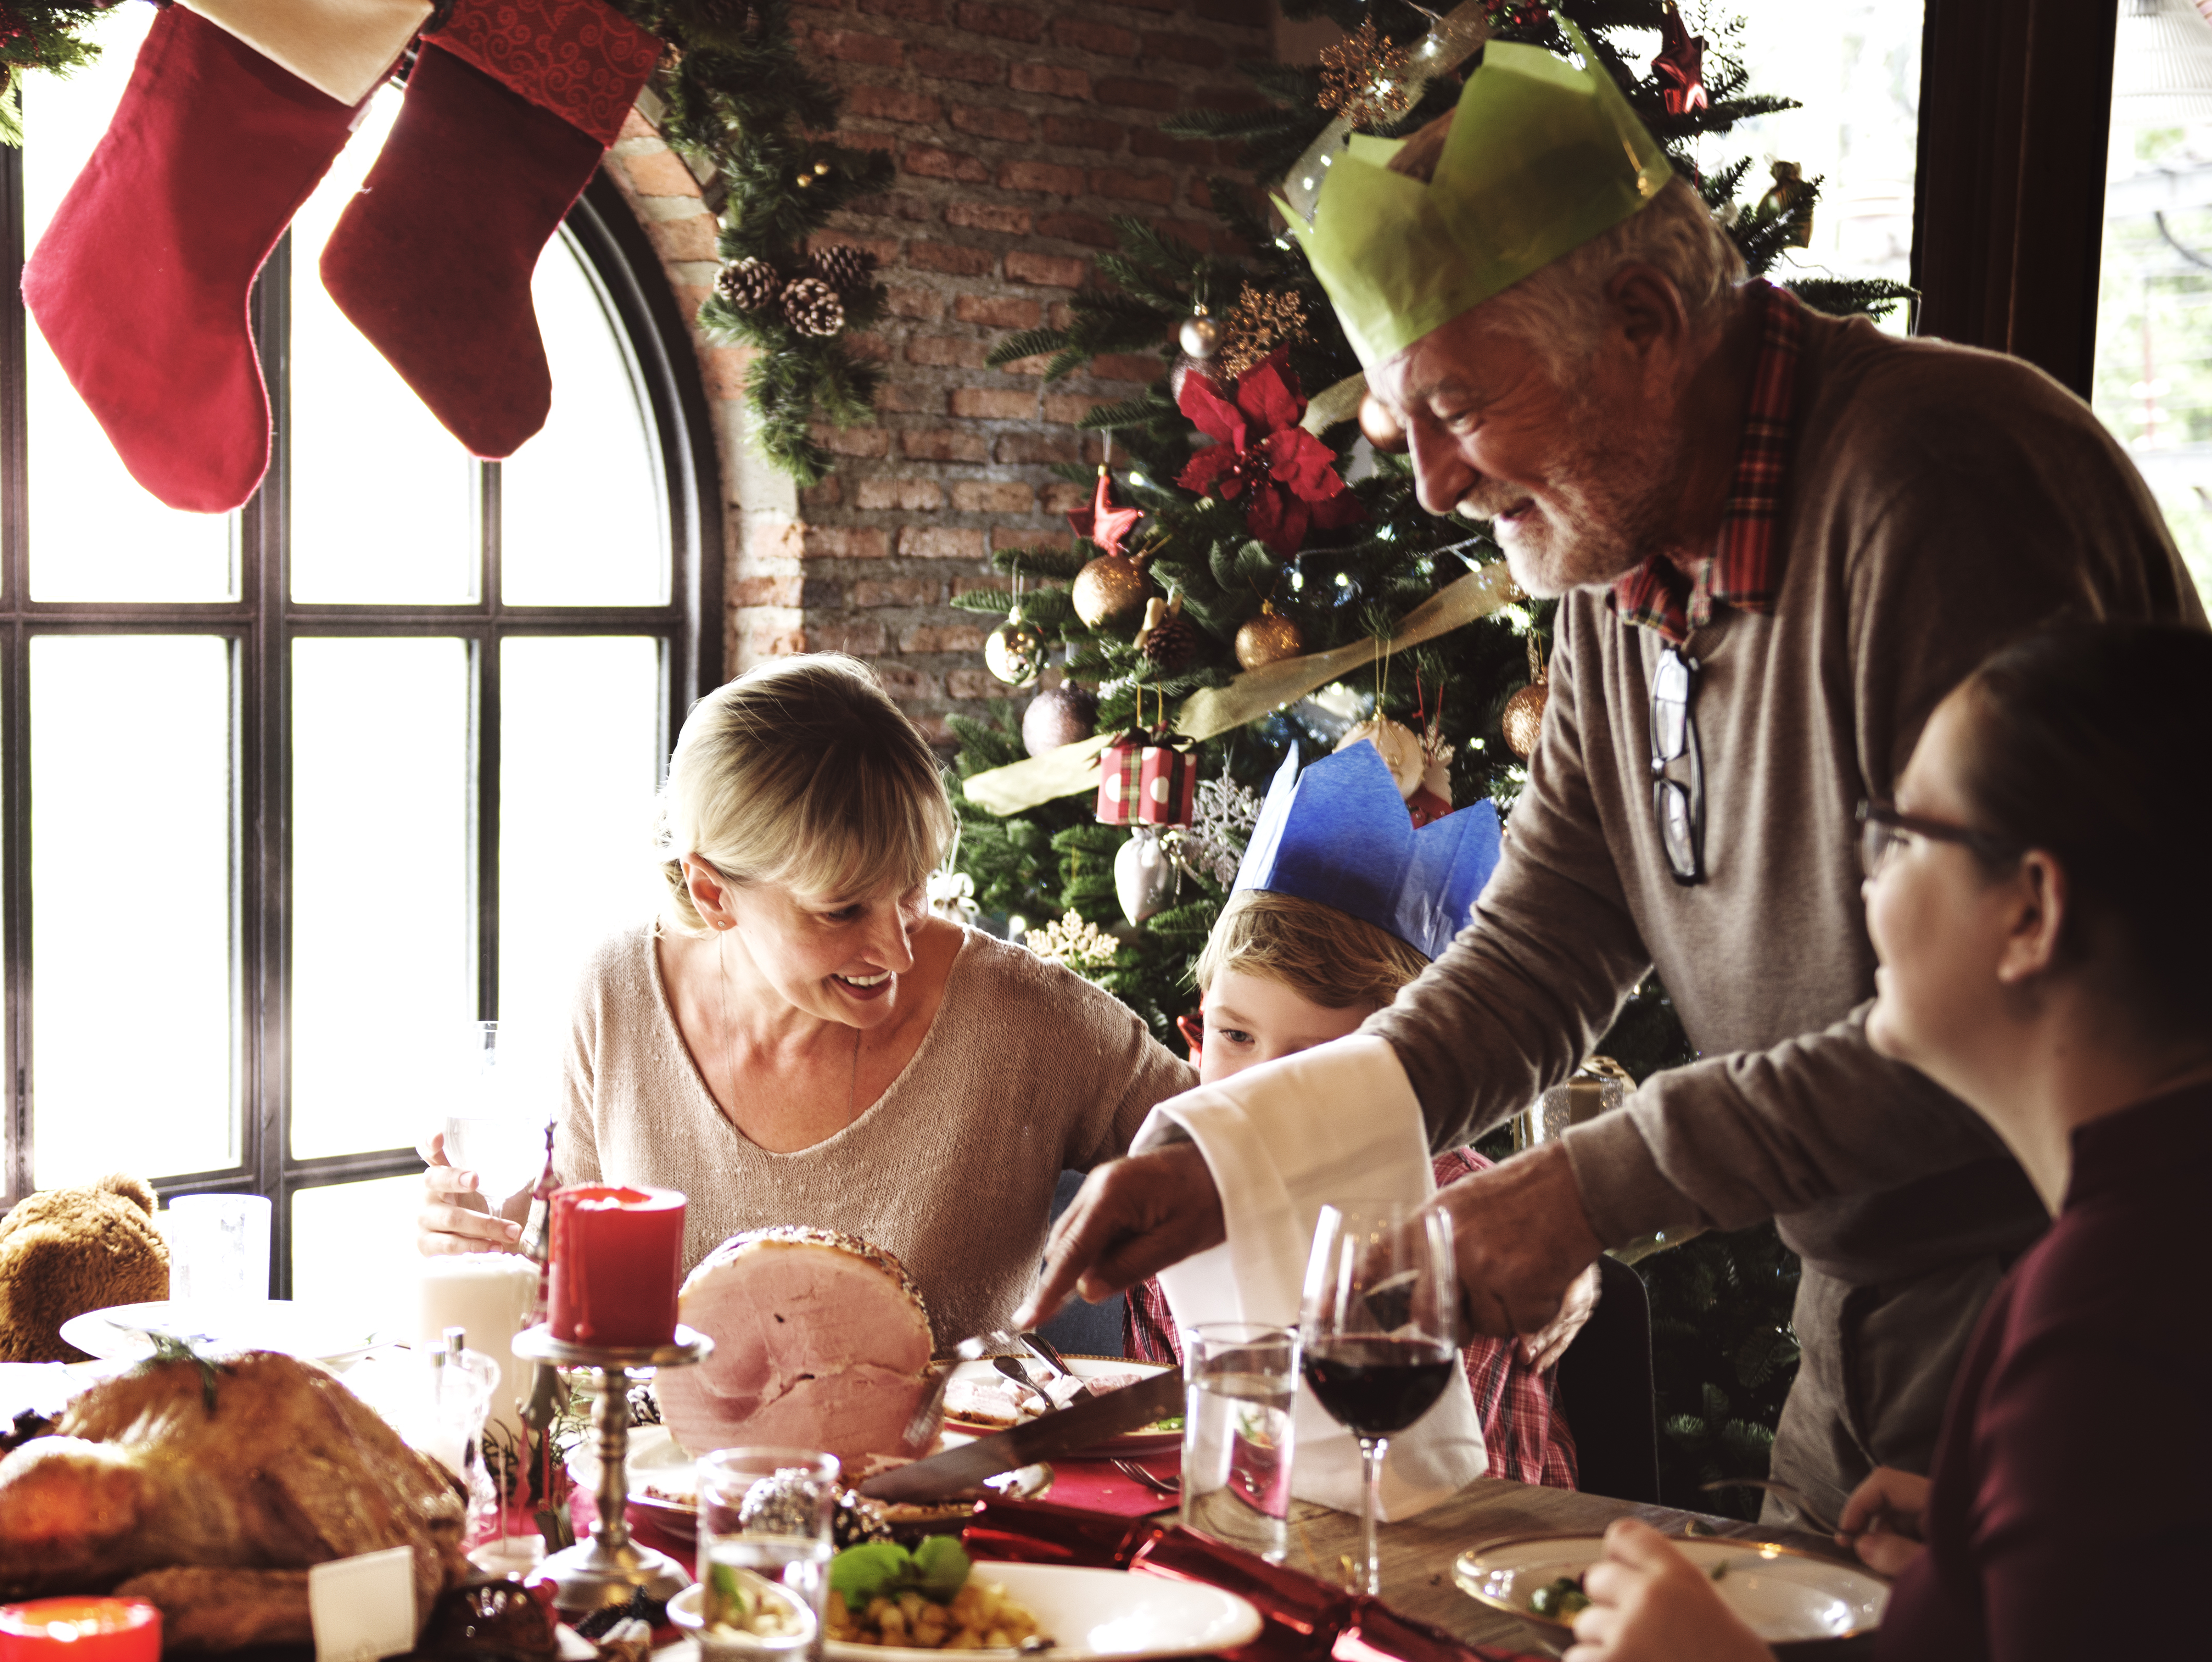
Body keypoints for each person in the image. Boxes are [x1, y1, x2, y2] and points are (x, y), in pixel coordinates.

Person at [1028, 25, 2200, 1524]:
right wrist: (1233, 1157)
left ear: (1645, 319)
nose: (1438, 484)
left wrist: (1592, 1184)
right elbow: (1542, 946)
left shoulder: (1943, 488)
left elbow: (2012, 1007)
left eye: (1456, 408)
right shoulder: (1611, 551)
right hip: (1854, 1325)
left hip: (2081, 1304)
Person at [1562, 622, 2211, 1662]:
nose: (1856, 874)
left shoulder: (2108, 1311)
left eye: (1896, 830)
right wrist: (1995, 1566)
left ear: (2028, 909)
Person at [419, 653, 1189, 1343]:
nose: (897, 948)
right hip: (668, 1495)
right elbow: (579, 1315)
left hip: (949, 1501)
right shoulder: (616, 993)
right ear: (714, 891)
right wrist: (489, 1256)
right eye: (842, 909)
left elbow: (1249, 1153)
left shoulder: (1024, 1016)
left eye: (912, 887)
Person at [1128, 740, 1586, 1485]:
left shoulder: (1455, 1227)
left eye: (1315, 1064)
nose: (1258, 1085)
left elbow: (1450, 1491)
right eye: (1234, 1035)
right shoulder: (1179, 1201)